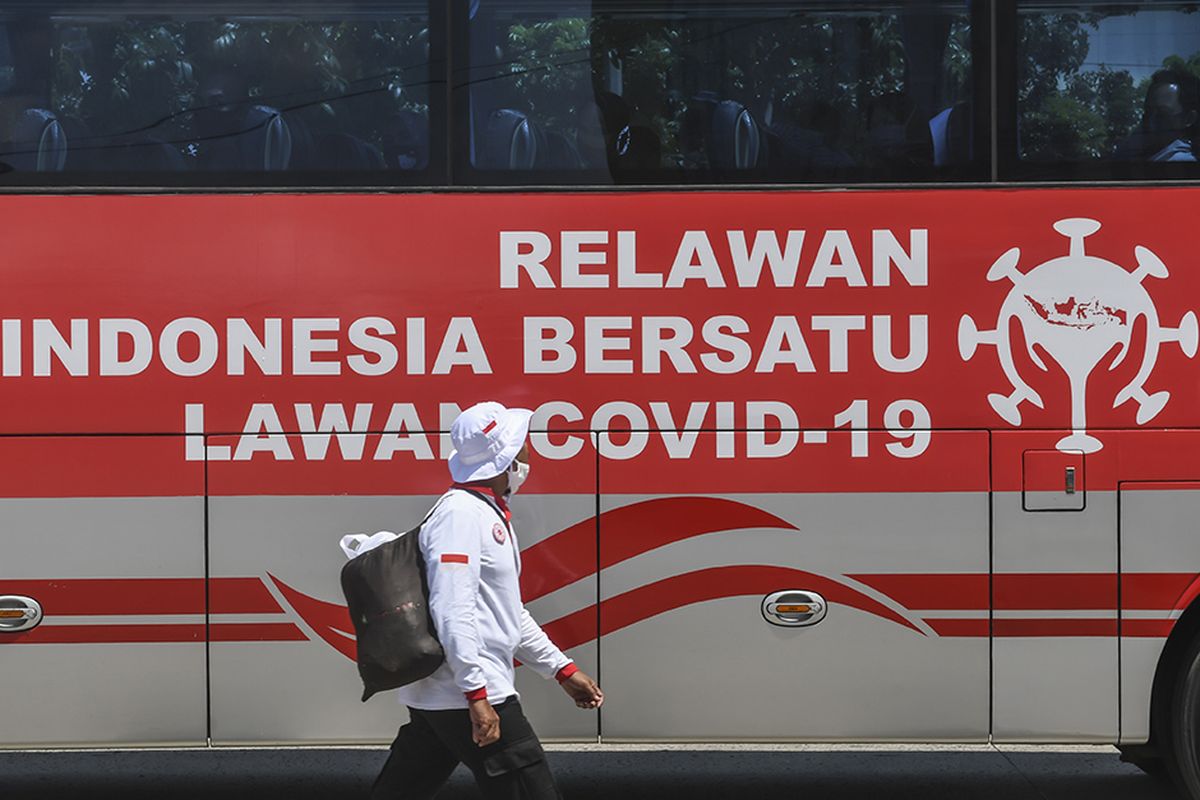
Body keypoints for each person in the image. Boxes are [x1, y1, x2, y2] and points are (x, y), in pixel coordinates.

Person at [370, 401, 604, 800]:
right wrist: (476, 696)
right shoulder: (461, 517)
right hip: (466, 693)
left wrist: (562, 670)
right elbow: (452, 610)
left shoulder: (485, 513)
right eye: (523, 443)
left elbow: (505, 611)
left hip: (446, 696)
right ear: (508, 458)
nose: (530, 451)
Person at [1115, 68, 1200, 162]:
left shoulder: (1180, 162)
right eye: (1148, 112)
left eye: (1162, 113)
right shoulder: (1147, 154)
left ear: (1189, 119)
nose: (1151, 120)